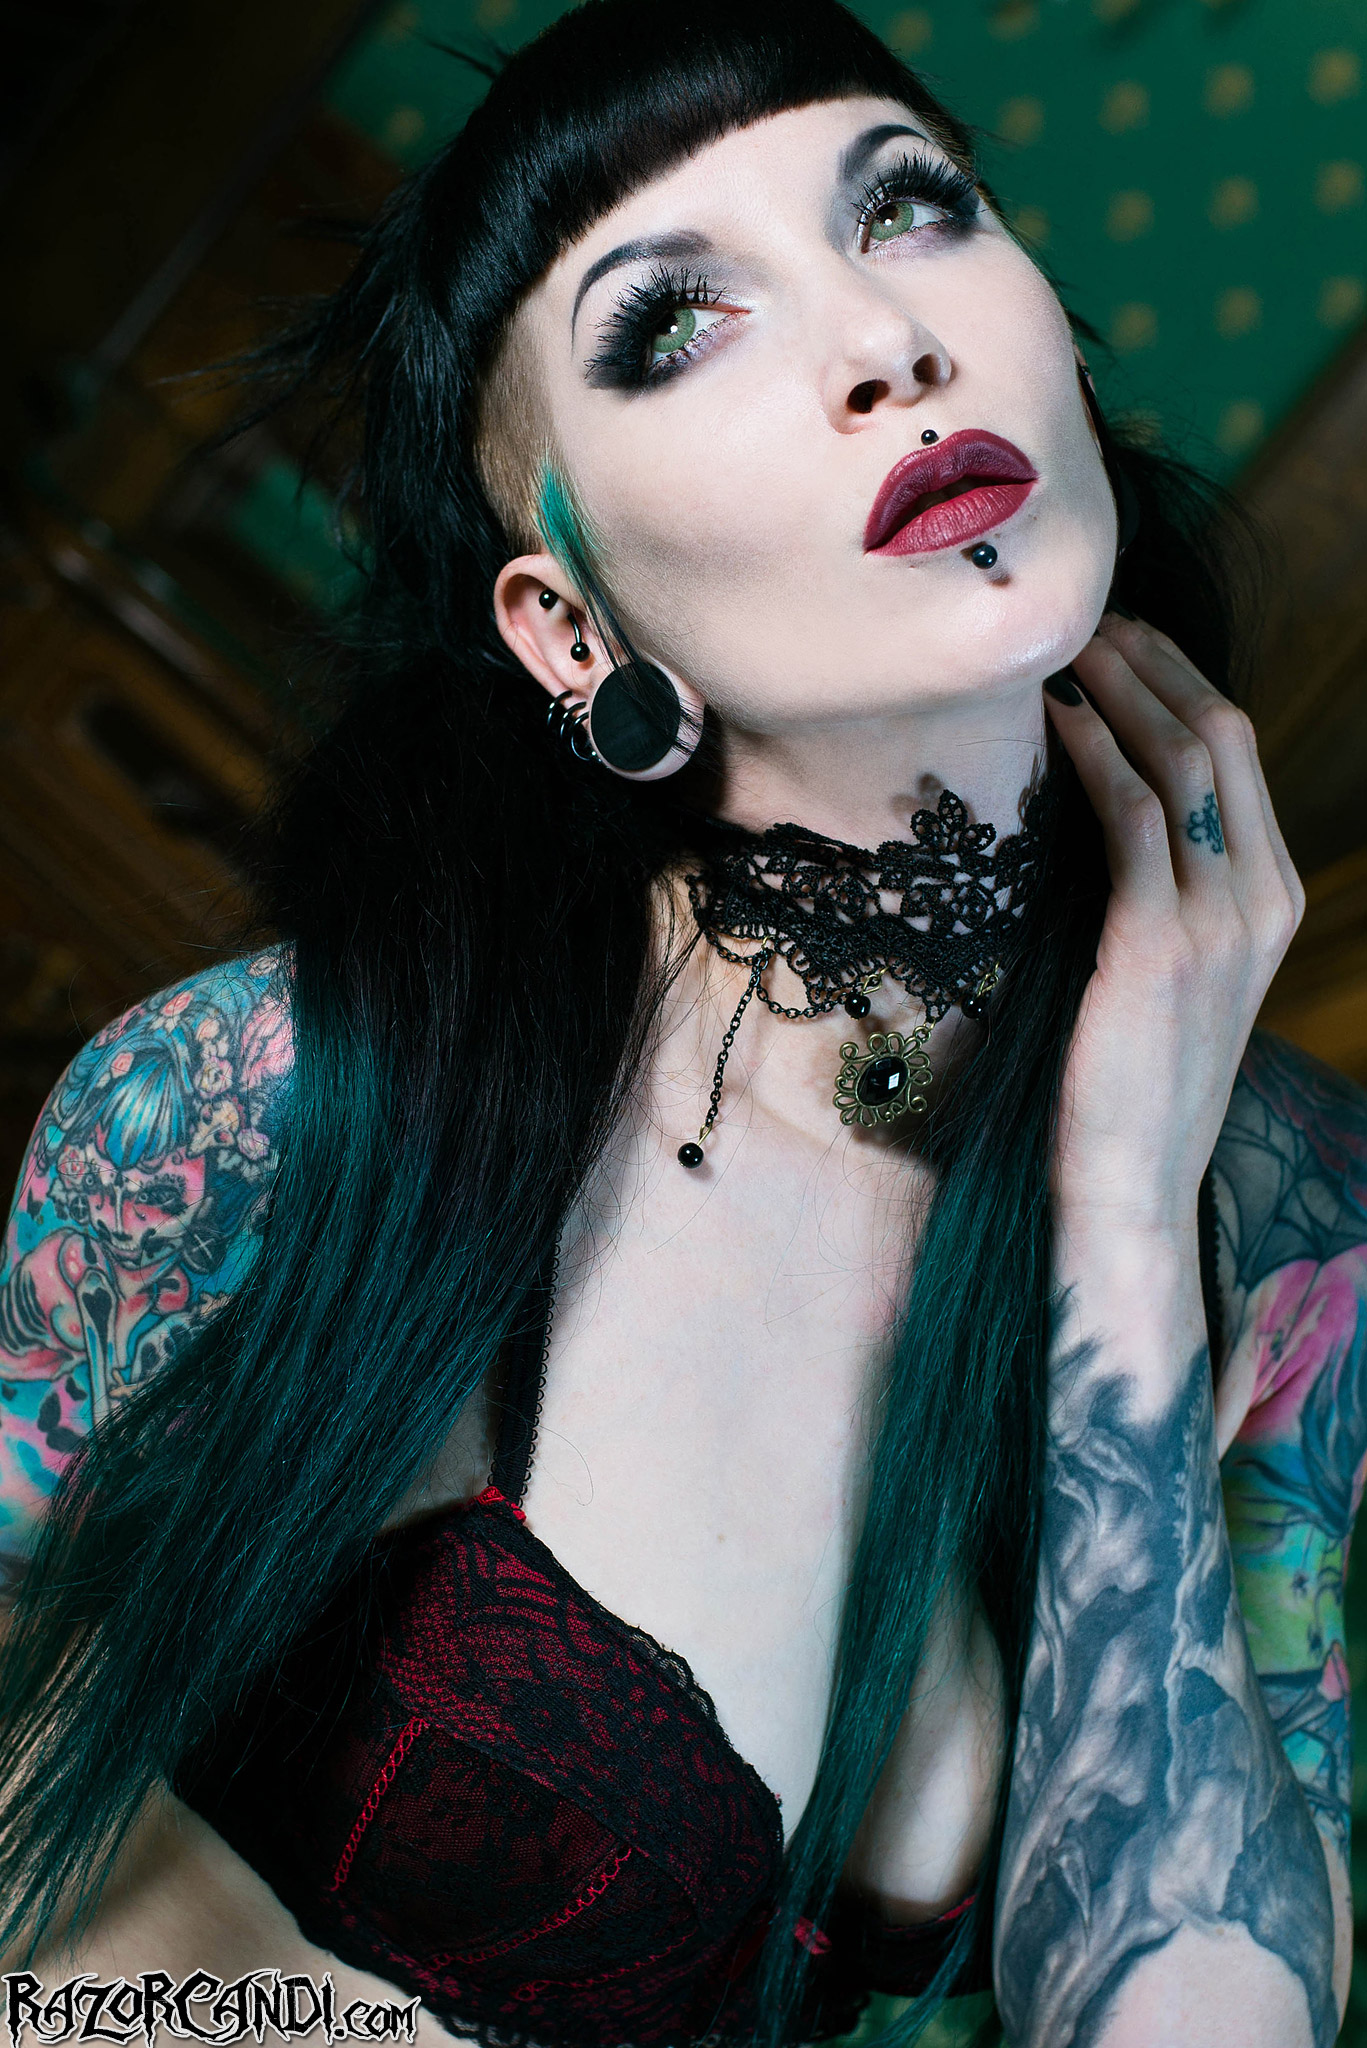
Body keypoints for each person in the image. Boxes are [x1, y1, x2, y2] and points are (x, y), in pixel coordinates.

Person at [1, 5, 1364, 2045]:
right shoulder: (250, 1101)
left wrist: (1123, 1220)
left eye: (911, 208)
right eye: (676, 324)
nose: (883, 342)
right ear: (571, 627)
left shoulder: (1289, 1209)